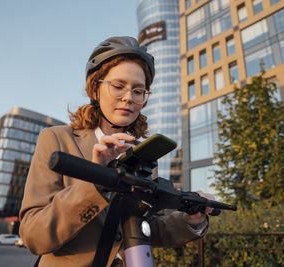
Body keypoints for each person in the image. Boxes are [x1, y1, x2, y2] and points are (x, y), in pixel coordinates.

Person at [19, 36, 214, 267]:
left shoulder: (143, 156)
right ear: (95, 89)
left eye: (138, 91)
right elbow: (34, 236)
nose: (128, 98)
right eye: (118, 86)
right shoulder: (56, 139)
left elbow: (146, 228)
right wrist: (94, 182)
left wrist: (191, 220)